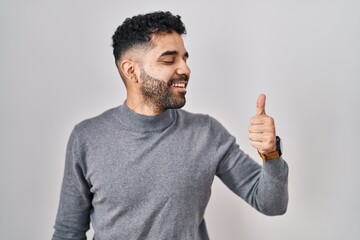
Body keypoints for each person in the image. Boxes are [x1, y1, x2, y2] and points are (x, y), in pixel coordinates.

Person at [52, 11, 288, 240]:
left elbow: (270, 204)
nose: (185, 69)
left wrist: (271, 154)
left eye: (185, 58)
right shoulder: (87, 137)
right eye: (168, 59)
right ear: (131, 71)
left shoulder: (207, 133)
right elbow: (68, 232)